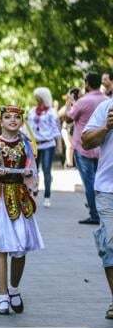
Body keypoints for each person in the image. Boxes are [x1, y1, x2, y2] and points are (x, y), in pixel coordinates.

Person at [0, 105, 44, 314]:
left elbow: (32, 171)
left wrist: (30, 177)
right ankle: (2, 295)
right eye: (7, 117)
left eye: (16, 117)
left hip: (19, 198)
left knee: (20, 248)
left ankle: (14, 289)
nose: (12, 120)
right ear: (0, 121)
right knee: (0, 247)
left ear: (22, 121)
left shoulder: (27, 145)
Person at [81, 95, 113, 319]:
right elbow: (86, 141)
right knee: (110, 244)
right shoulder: (106, 107)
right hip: (108, 190)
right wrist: (106, 127)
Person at [64, 72, 107, 224]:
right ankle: (103, 212)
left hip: (83, 147)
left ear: (87, 84)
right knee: (100, 180)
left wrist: (70, 102)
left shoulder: (83, 101)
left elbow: (68, 118)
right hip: (101, 147)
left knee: (89, 182)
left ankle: (94, 214)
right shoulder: (106, 100)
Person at [27, 87, 60, 207]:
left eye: (38, 96)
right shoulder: (32, 111)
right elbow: (28, 129)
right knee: (33, 170)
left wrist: (59, 146)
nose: (36, 98)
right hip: (35, 144)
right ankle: (32, 191)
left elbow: (56, 130)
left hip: (48, 144)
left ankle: (47, 195)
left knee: (46, 169)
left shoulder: (51, 112)